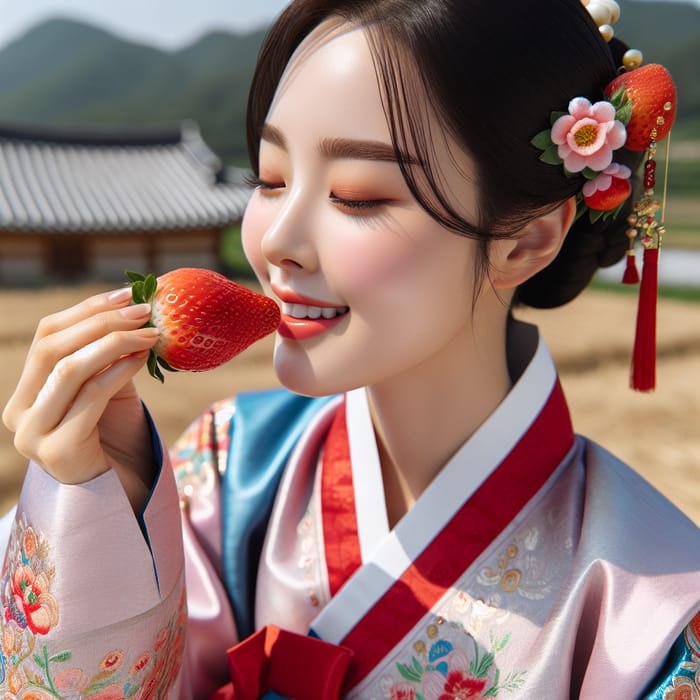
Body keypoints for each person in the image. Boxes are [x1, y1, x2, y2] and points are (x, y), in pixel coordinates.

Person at [1, 0, 698, 697]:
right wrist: (100, 515)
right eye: (269, 180)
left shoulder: (652, 608)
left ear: (527, 240)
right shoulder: (227, 471)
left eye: (358, 196)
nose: (275, 242)